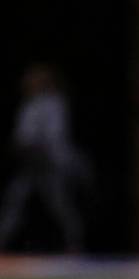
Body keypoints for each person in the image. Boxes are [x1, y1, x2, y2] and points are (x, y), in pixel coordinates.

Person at [0, 64, 87, 252]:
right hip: (30, 163)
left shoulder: (53, 103)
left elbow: (54, 136)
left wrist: (40, 153)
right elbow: (23, 135)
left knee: (59, 204)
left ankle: (75, 245)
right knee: (15, 202)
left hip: (48, 162)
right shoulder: (30, 104)